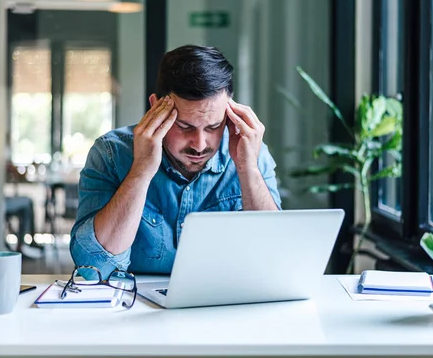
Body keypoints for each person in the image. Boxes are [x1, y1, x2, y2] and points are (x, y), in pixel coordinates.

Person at [69, 45, 281, 275]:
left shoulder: (249, 151)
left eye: (213, 126)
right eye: (184, 126)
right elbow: (93, 267)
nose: (199, 144)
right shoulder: (110, 153)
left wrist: (247, 169)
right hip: (135, 305)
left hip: (224, 303)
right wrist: (141, 171)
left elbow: (276, 257)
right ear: (155, 108)